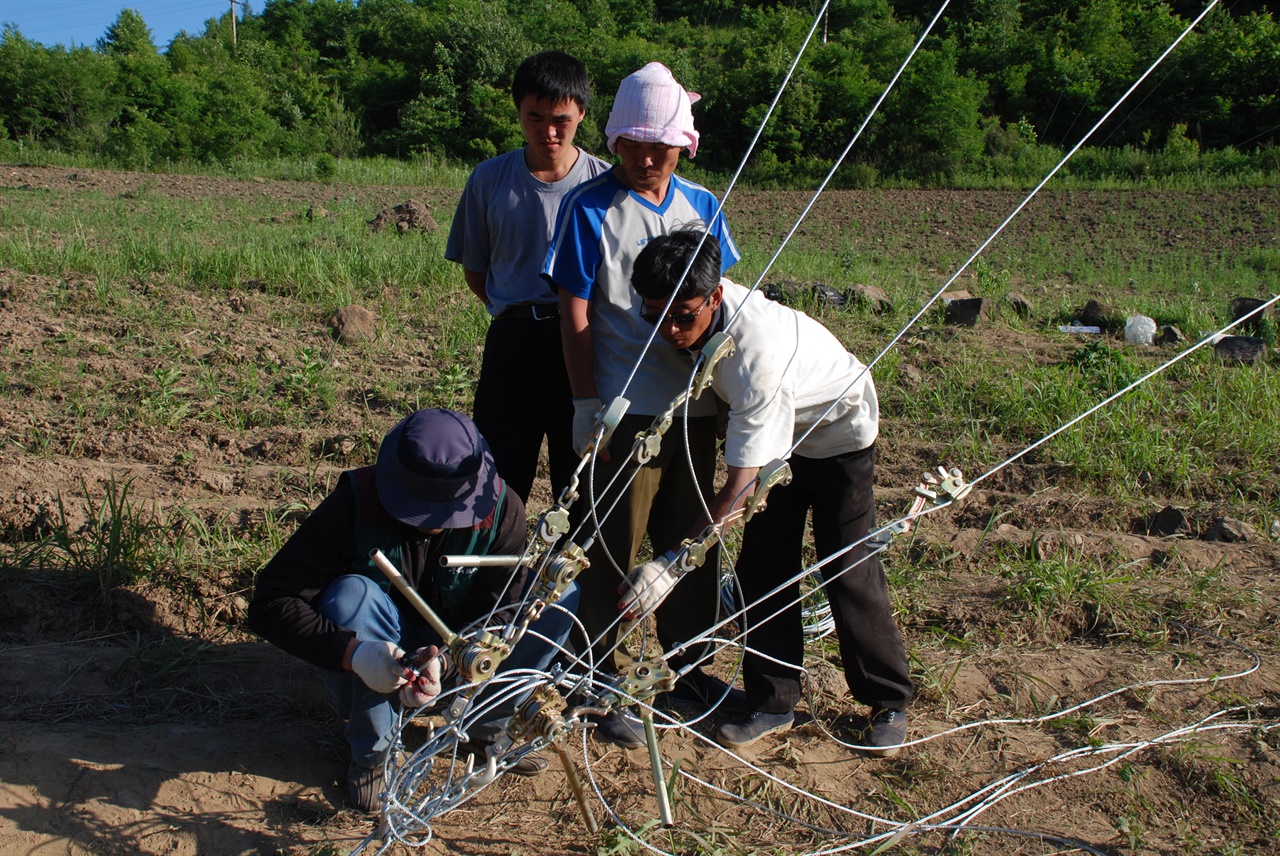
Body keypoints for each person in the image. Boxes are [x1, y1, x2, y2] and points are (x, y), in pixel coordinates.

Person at [620, 227, 914, 756]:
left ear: (714, 296)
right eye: (654, 315)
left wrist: (670, 565)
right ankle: (774, 701)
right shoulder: (693, 314)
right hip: (776, 430)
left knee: (846, 564)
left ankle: (888, 699)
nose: (669, 329)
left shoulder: (758, 360)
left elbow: (738, 490)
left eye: (683, 317)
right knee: (763, 564)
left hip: (836, 435)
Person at [542, 62, 744, 748]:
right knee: (611, 548)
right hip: (622, 412)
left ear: (683, 145)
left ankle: (690, 671)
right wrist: (584, 400)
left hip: (695, 410)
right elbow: (574, 308)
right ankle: (607, 680)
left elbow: (725, 301)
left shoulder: (704, 204)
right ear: (616, 141)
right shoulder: (590, 207)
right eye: (633, 145)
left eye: (660, 146)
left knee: (689, 545)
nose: (646, 158)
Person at [247, 409, 579, 812]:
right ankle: (374, 753)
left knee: (559, 594)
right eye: (420, 510)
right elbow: (270, 603)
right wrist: (356, 655)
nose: (434, 525)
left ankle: (488, 729)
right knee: (352, 595)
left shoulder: (502, 509)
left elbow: (500, 612)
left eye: (447, 512)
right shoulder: (356, 503)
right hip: (376, 651)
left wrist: (448, 660)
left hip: (453, 657)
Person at [445, 51, 611, 504]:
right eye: (534, 117)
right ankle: (498, 571)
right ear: (518, 110)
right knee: (498, 473)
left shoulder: (604, 185)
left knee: (579, 476)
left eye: (561, 119)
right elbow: (476, 269)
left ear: (581, 113)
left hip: (582, 343)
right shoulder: (489, 179)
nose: (548, 132)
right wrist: (518, 308)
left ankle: (572, 572)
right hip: (513, 343)